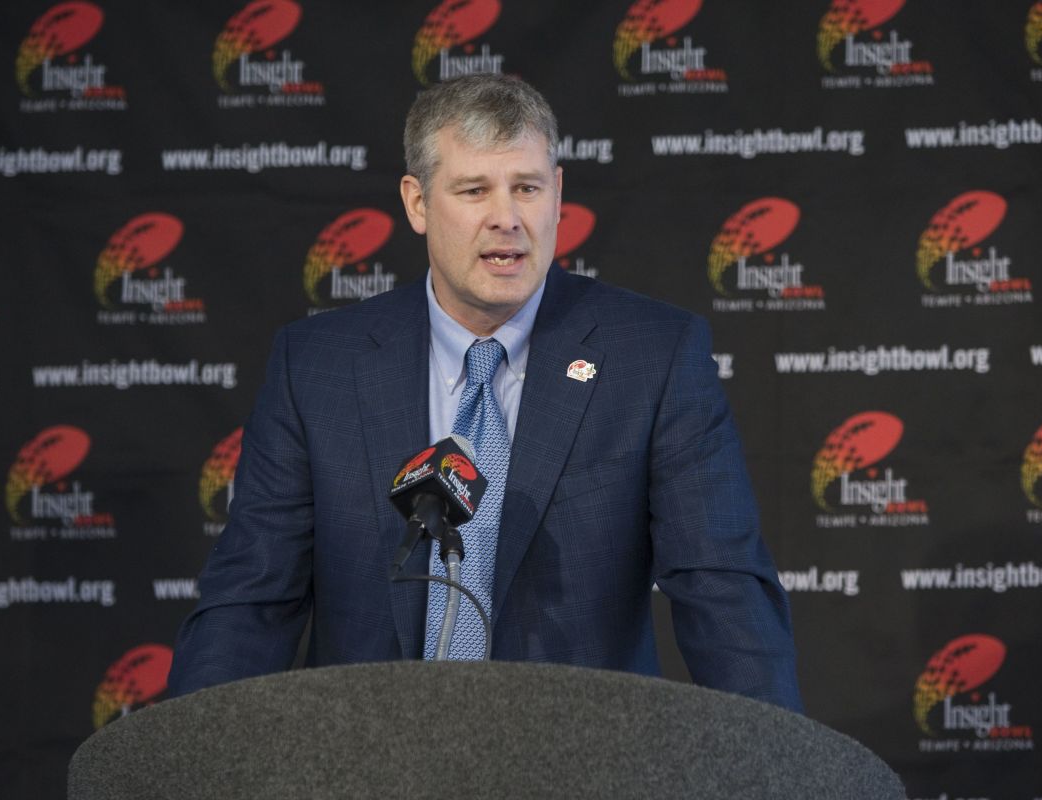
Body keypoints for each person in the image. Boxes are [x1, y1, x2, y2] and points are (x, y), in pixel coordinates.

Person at [169, 74, 802, 711]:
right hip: (371, 764)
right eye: (474, 191)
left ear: (557, 195)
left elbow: (725, 594)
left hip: (580, 766)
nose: (507, 219)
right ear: (417, 203)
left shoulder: (652, 356)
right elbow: (251, 603)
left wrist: (778, 769)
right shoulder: (317, 367)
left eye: (526, 188)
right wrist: (189, 763)